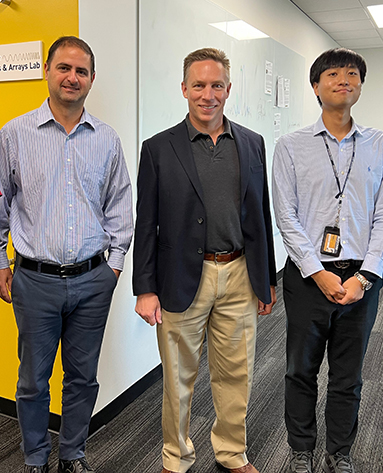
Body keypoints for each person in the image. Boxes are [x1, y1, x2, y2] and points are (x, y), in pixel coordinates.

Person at [0, 36, 133, 473]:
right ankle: (35, 457)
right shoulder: (15, 134)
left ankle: (72, 454)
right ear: (47, 71)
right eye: (64, 68)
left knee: (82, 378)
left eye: (82, 71)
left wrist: (114, 265)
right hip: (34, 280)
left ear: (91, 79)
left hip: (93, 280)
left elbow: (120, 206)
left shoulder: (106, 139)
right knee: (33, 379)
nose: (73, 77)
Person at [133, 47, 277, 473]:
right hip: (181, 278)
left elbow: (260, 214)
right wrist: (145, 287)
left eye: (217, 85)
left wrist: (266, 278)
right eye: (199, 85)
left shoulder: (252, 143)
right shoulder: (158, 148)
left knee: (236, 374)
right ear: (184, 89)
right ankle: (175, 458)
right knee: (178, 380)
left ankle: (232, 452)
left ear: (228, 89)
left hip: (238, 273)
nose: (208, 94)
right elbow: (147, 223)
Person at [271, 48, 383, 473]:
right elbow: (285, 215)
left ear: (360, 86)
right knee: (299, 370)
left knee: (348, 375)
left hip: (361, 276)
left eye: (351, 74)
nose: (343, 80)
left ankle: (339, 452)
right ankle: (302, 448)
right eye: (332, 74)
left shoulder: (382, 145)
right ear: (315, 87)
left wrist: (366, 276)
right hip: (308, 279)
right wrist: (317, 272)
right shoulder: (290, 146)